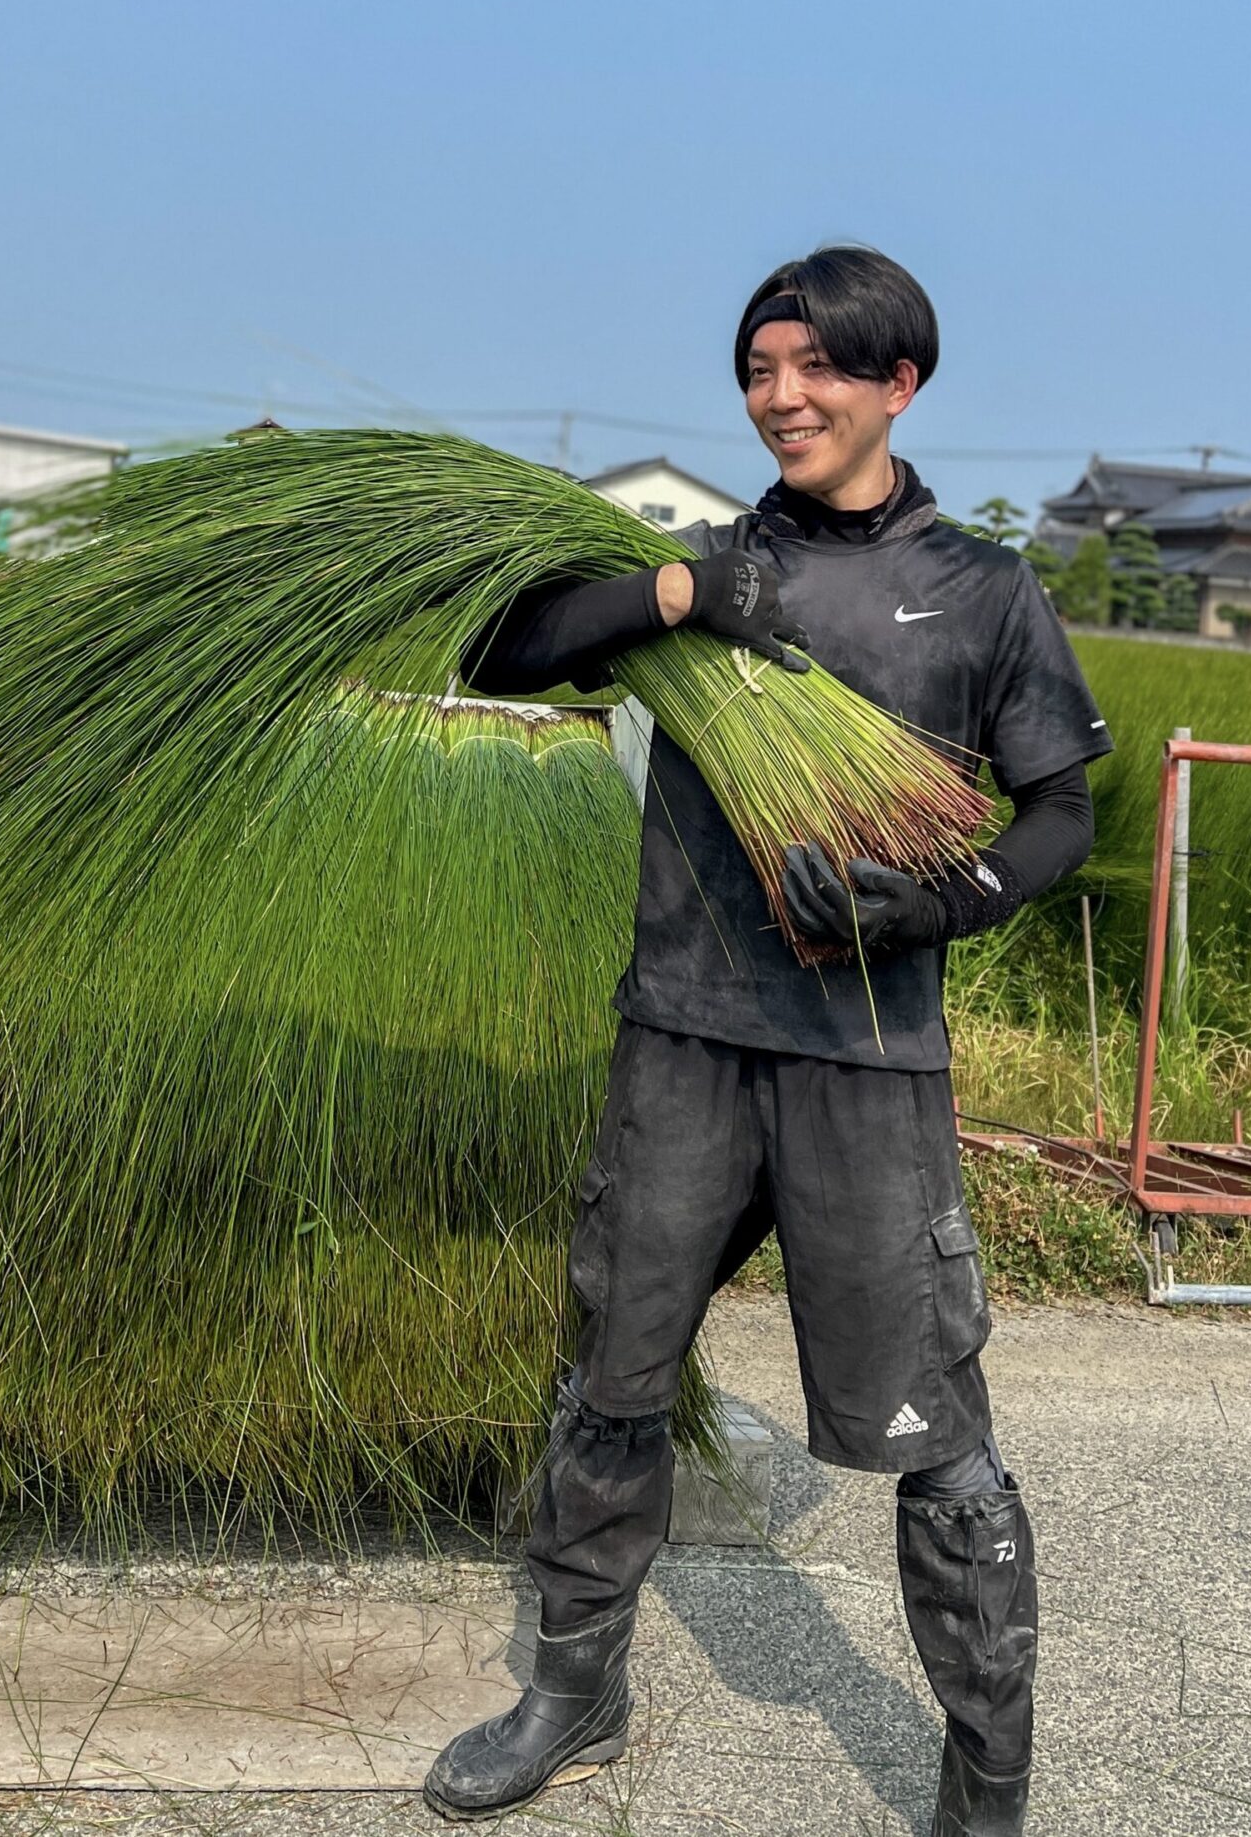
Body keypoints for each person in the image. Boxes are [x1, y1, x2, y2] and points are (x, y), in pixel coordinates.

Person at [422, 246, 1111, 1836]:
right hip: (682, 1034)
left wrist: (947, 898)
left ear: (898, 384)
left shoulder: (984, 589)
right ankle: (574, 1691)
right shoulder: (705, 564)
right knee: (612, 1371)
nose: (780, 398)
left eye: (815, 369)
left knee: (939, 1433)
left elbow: (1060, 808)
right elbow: (495, 649)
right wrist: (671, 595)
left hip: (867, 1062)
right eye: (757, 370)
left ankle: (986, 1773)